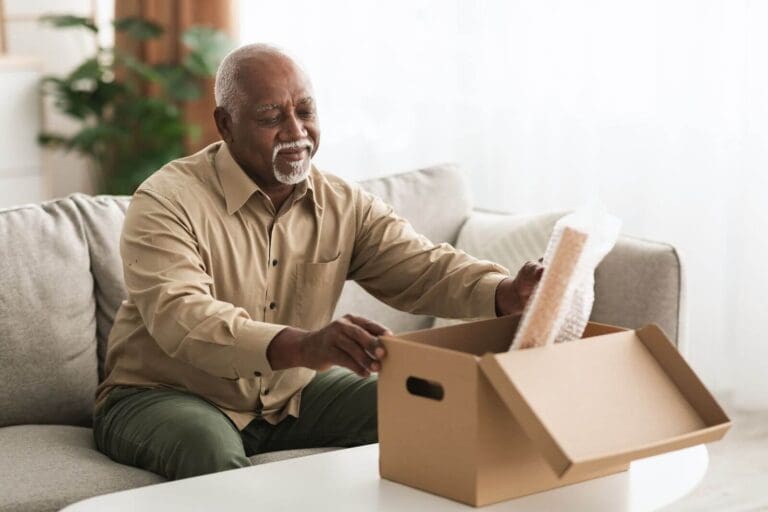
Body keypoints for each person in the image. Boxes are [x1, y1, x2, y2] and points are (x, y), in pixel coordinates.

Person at [93, 43, 544, 480]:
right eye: (271, 116)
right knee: (207, 451)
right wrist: (307, 346)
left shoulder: (343, 203)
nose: (295, 131)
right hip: (164, 394)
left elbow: (421, 267)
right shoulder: (166, 201)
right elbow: (184, 319)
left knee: (431, 410)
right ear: (226, 125)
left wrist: (506, 293)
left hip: (289, 393)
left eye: (305, 112)